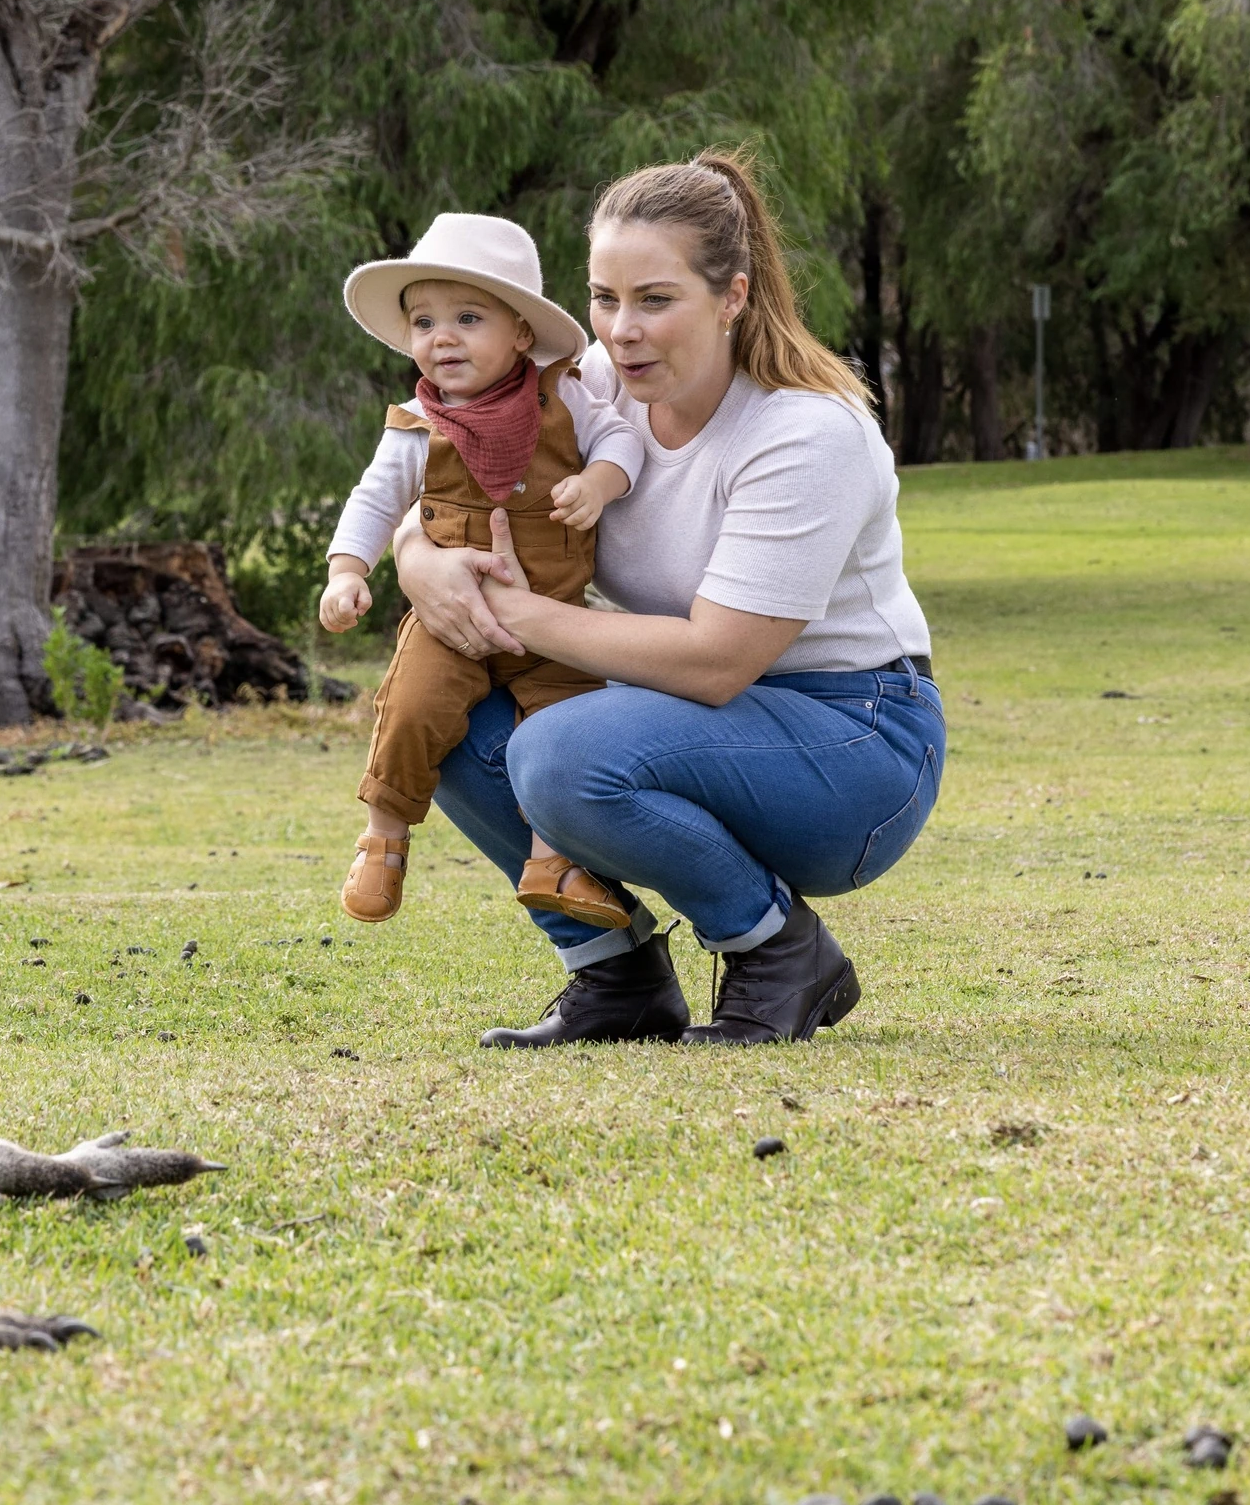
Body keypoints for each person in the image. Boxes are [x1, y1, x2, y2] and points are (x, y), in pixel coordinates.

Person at [389, 152, 944, 1047]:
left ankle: (778, 952)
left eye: (655, 299)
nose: (621, 330)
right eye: (603, 299)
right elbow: (433, 480)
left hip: (856, 743)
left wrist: (519, 617)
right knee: (436, 707)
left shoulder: (806, 430)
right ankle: (613, 978)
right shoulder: (591, 393)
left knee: (558, 751)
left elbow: (718, 662)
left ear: (732, 295)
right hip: (687, 715)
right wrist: (419, 560)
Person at [318, 214, 644, 928]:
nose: (443, 337)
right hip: (453, 621)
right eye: (425, 320)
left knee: (568, 736)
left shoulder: (567, 399)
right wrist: (347, 571)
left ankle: (554, 860)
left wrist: (600, 484)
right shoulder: (417, 422)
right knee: (413, 706)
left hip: (555, 622)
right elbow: (375, 498)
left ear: (522, 333)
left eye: (469, 317)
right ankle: (384, 835)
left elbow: (621, 438)